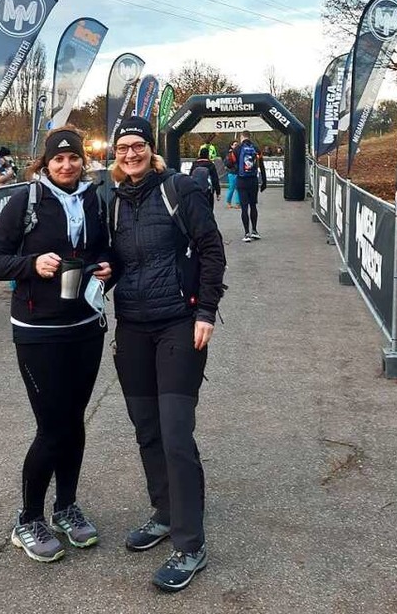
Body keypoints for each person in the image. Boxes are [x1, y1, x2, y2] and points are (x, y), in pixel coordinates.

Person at [0, 127, 112, 564]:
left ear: (82, 162)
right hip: (38, 330)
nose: (67, 165)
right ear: (45, 164)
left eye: (73, 158)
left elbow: (106, 252)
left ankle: (66, 508)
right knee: (52, 427)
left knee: (74, 422)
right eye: (58, 160)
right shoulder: (26, 201)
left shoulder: (95, 200)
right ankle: (29, 518)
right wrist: (32, 263)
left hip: (85, 326)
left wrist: (110, 269)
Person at [109, 116, 226, 593]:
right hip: (132, 327)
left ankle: (190, 543)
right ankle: (163, 512)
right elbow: (118, 259)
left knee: (177, 433)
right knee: (147, 429)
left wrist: (207, 313)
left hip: (180, 322)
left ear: (151, 149)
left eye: (137, 146)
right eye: (122, 149)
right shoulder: (111, 201)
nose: (130, 154)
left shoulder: (179, 189)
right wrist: (103, 270)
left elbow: (212, 249)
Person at [234, 130, 267, 242]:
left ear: (241, 137)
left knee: (244, 207)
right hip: (253, 180)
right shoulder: (256, 149)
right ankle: (255, 231)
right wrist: (264, 181)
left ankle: (246, 233)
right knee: (253, 206)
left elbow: (228, 163)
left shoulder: (237, 149)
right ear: (250, 137)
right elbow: (261, 165)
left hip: (241, 181)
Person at [223, 140, 240, 208]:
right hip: (232, 173)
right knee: (232, 188)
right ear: (231, 146)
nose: (236, 146)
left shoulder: (239, 153)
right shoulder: (230, 154)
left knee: (238, 188)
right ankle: (228, 202)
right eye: (235, 145)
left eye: (237, 145)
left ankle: (238, 203)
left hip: (238, 172)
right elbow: (228, 164)